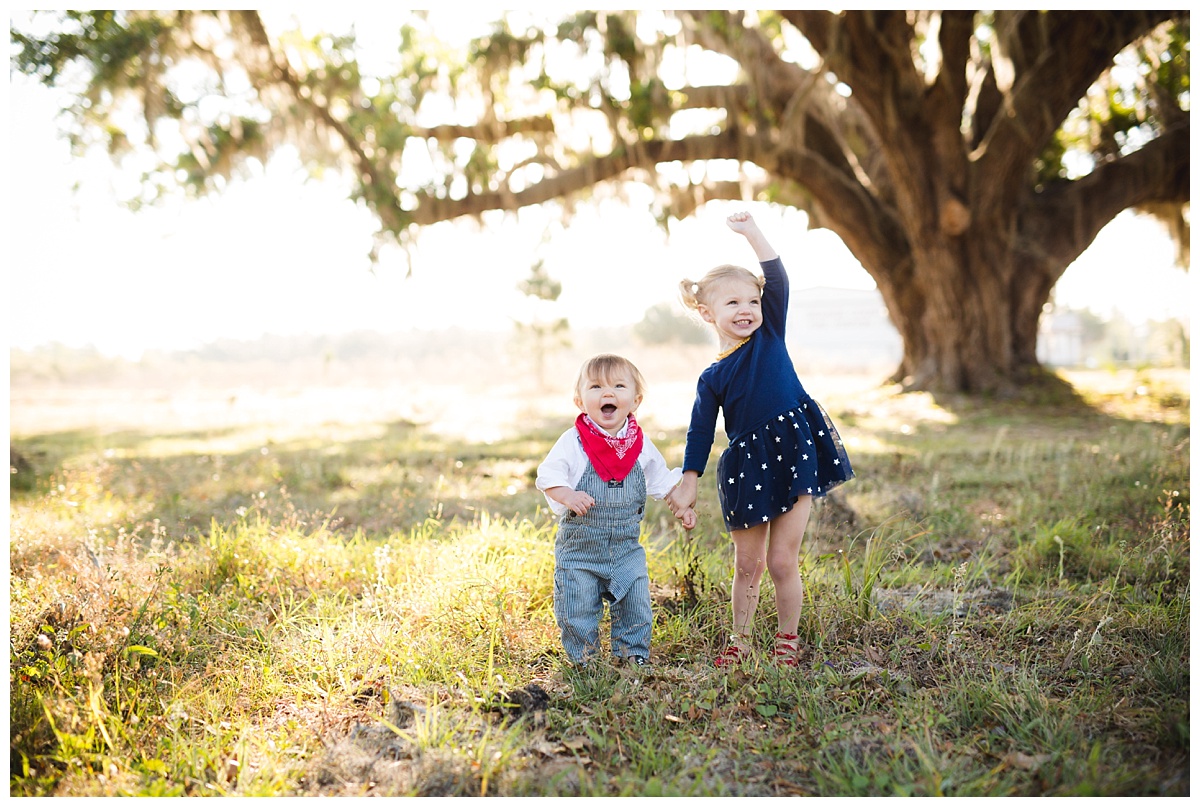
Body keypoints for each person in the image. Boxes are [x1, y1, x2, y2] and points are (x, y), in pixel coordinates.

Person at [665, 211, 854, 668]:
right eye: (732, 303)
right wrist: (688, 481)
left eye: (752, 300)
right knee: (747, 566)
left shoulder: (770, 335)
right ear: (708, 313)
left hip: (793, 455)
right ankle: (741, 639)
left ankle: (788, 637)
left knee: (782, 561)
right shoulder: (712, 377)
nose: (745, 309)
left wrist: (752, 233)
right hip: (748, 468)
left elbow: (777, 277)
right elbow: (700, 432)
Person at [536, 354, 696, 669]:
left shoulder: (640, 444)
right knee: (576, 605)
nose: (608, 394)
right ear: (580, 400)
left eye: (619, 386)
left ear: (635, 400)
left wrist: (680, 504)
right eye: (596, 387)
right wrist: (567, 494)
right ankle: (584, 660)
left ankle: (632, 654)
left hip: (625, 548)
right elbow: (547, 476)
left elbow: (660, 479)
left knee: (636, 602)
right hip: (581, 550)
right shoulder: (573, 442)